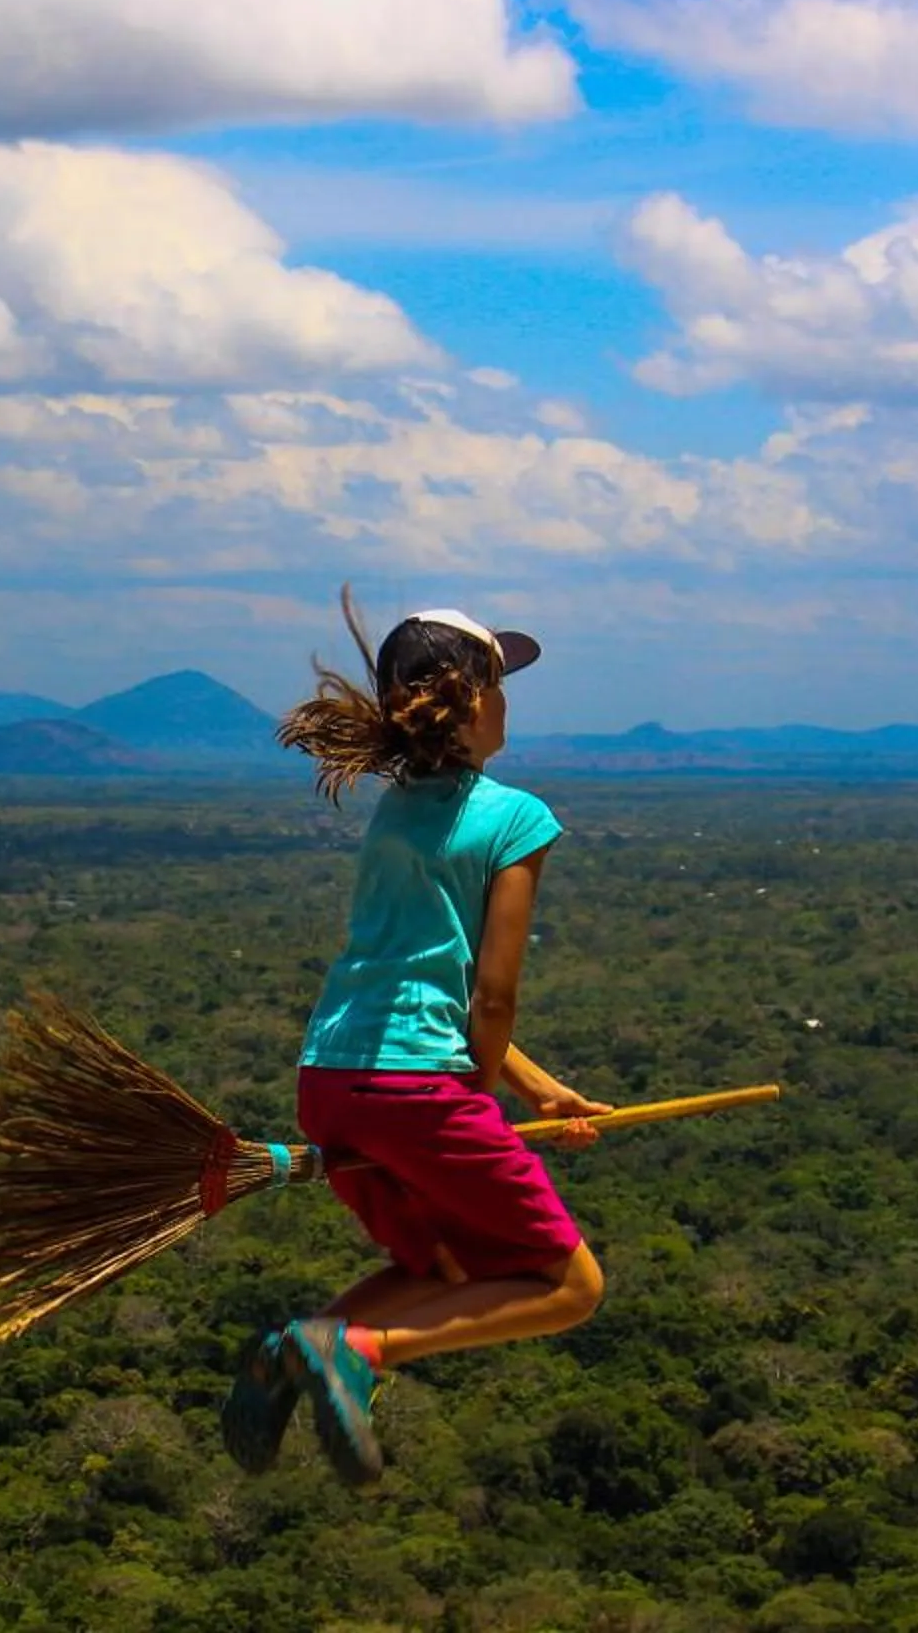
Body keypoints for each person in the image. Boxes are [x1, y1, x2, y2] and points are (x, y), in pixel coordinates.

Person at [221, 591, 612, 1486]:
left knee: (444, 1263)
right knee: (569, 1288)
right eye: (502, 685)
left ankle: (307, 1346)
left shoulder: (395, 810)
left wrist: (539, 1091)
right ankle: (357, 1349)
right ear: (474, 700)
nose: (510, 702)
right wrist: (478, 1095)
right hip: (419, 1090)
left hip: (330, 1078)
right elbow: (493, 996)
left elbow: (413, 987)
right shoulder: (517, 817)